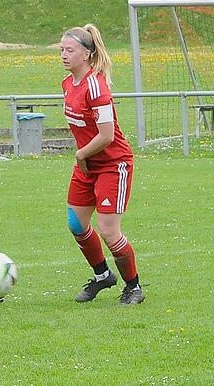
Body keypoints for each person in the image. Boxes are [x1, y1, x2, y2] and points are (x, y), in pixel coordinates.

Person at [60, 24, 144, 305]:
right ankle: (102, 276)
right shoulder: (67, 84)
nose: (63, 55)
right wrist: (83, 155)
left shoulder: (96, 85)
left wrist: (81, 153)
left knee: (108, 230)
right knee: (76, 223)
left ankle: (134, 287)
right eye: (61, 49)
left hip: (112, 164)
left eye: (69, 50)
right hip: (86, 163)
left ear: (86, 54)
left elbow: (107, 135)